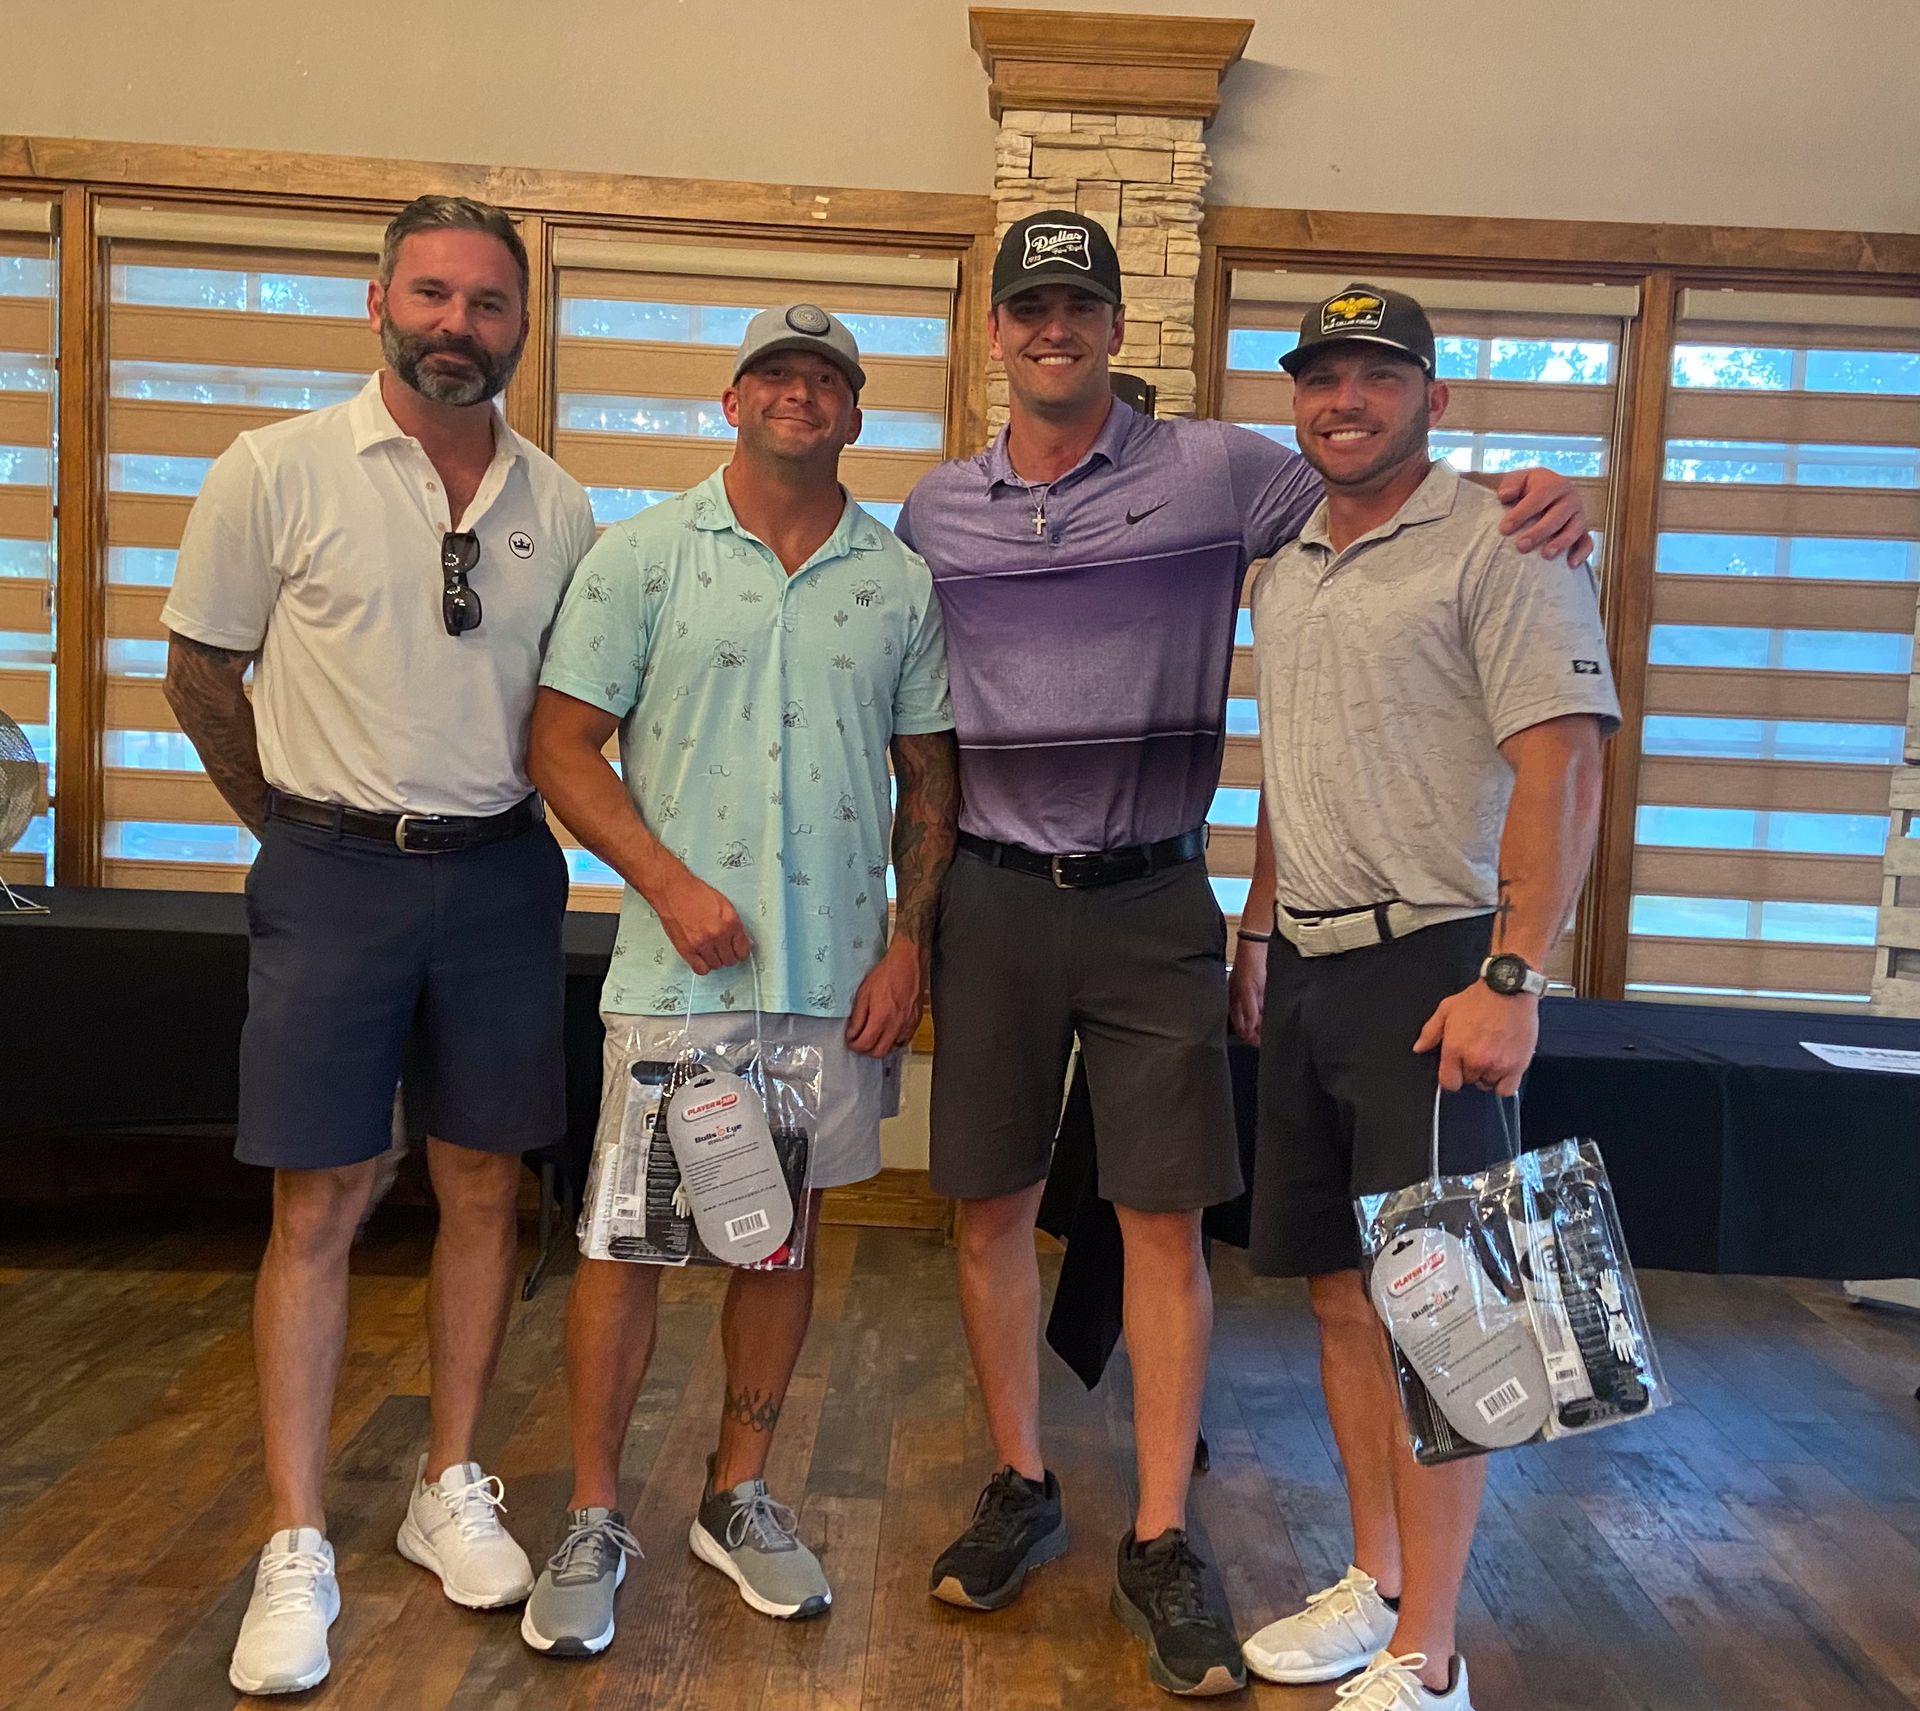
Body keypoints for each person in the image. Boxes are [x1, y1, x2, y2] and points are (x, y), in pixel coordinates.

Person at [894, 214, 1594, 1699]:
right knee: (1302, 1278)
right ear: (1000, 330)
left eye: (1081, 305)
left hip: (1195, 911)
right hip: (1036, 906)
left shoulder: (1231, 476)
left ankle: (1225, 1562)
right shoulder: (940, 511)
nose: (1054, 328)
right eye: (1032, 307)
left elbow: (1535, 705)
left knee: (1355, 1271)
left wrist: (1557, 489)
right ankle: (1080, 1498)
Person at [161, 195, 597, 1695]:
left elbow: (572, 718)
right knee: (322, 1198)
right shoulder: (273, 469)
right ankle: (296, 1543)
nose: (456, 326)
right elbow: (200, 670)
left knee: (483, 1185)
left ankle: (446, 1481)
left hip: (497, 877)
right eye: (432, 296)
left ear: (521, 324)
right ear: (379, 303)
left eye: (486, 304)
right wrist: (286, 825)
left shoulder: (563, 505)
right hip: (332, 871)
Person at [519, 304, 958, 1659]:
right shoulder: (643, 556)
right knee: (631, 1241)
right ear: (732, 399)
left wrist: (909, 941)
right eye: (776, 372)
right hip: (674, 974)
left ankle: (739, 1493)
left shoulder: (897, 578)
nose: (798, 394)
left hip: (832, 977)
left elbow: (929, 779)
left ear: (855, 415)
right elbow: (562, 746)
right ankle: (596, 1513)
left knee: (783, 1237)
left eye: (825, 378)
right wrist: (667, 882)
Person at [1228, 284, 1619, 1710]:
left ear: (1435, 399)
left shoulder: (1508, 542)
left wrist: (1514, 975)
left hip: (1445, 969)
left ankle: (1431, 1657)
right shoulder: (1282, 557)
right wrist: (1260, 930)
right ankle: (1378, 1577)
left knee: (1444, 1313)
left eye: (1378, 377)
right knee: (1341, 1300)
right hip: (1317, 968)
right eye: (1322, 377)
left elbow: (1563, 762)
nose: (1347, 400)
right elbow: (1299, 765)